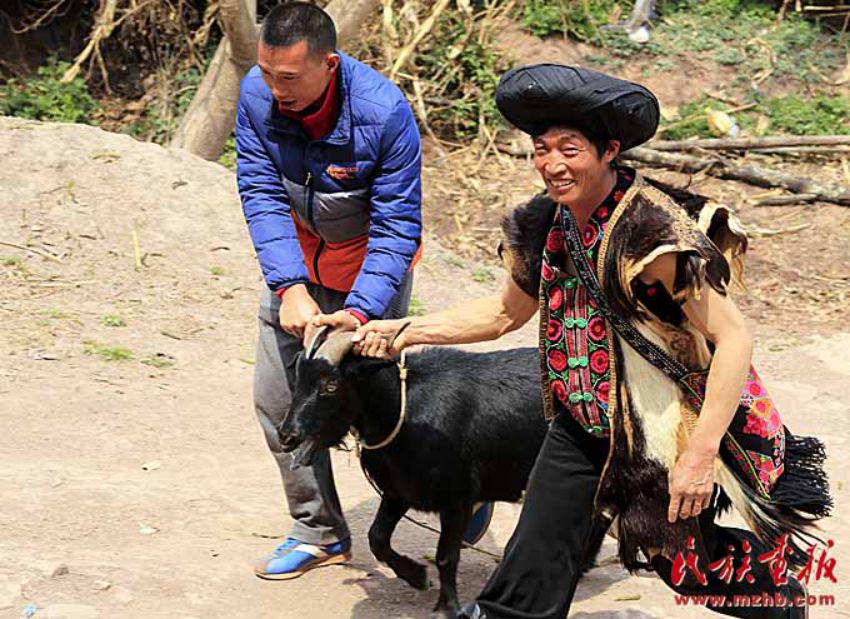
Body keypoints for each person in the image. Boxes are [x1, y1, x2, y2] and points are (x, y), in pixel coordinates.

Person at [350, 64, 830, 618]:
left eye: (570, 149)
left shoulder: (651, 235)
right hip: (579, 423)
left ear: (609, 151)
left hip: (659, 430)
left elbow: (734, 338)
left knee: (686, 565)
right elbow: (505, 313)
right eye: (541, 150)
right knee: (534, 554)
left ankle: (781, 602)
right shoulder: (544, 224)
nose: (552, 164)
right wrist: (402, 331)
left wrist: (699, 456)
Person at [236, 1, 493, 581]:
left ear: (328, 64)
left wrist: (359, 312)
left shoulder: (383, 112)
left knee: (380, 415)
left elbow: (398, 228)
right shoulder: (256, 95)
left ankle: (465, 488)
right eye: (267, 72)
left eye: (288, 78)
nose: (274, 89)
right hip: (297, 272)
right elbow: (260, 190)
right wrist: (289, 286)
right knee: (279, 401)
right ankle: (318, 530)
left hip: (368, 277)